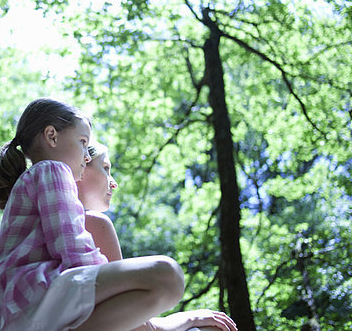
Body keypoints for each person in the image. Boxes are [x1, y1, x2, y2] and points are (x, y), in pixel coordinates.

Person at [0, 98, 237, 331]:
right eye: (82, 143)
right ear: (52, 136)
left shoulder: (31, 185)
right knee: (166, 274)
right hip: (35, 301)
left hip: (23, 311)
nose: (83, 156)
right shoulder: (53, 170)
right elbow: (70, 244)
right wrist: (119, 282)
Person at [76, 141, 238, 331]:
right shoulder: (93, 223)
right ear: (80, 166)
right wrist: (190, 318)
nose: (114, 182)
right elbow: (138, 328)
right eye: (105, 168)